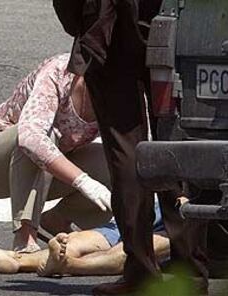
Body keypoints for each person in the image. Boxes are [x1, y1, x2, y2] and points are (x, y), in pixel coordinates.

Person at [52, 0, 208, 295]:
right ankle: (189, 271)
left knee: (128, 150)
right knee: (173, 142)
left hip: (109, 26)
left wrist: (80, 23)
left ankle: (141, 270)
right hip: (167, 16)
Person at [0, 53, 114, 253]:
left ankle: (59, 219)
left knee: (116, 161)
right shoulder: (59, 71)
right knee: (41, 138)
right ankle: (25, 238)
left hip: (44, 171)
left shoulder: (121, 95)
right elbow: (31, 136)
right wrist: (83, 181)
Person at [0, 200, 169, 276]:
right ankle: (20, 259)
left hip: (165, 202)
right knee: (128, 246)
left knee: (137, 245)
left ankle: (24, 261)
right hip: (175, 206)